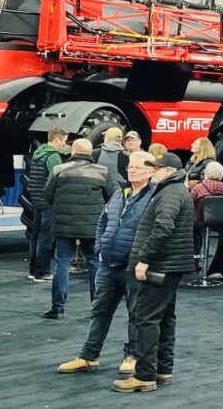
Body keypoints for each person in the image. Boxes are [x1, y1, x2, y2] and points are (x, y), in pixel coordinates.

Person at [56, 150, 156, 376]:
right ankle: (88, 356)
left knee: (136, 314)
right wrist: (101, 248)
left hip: (134, 266)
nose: (132, 170)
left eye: (138, 167)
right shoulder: (120, 193)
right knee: (99, 310)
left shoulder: (155, 197)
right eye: (131, 166)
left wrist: (143, 259)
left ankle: (132, 356)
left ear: (151, 171)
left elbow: (157, 231)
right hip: (108, 264)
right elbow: (103, 220)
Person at [112, 153, 194, 393]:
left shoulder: (169, 193)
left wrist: (144, 258)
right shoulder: (177, 191)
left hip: (161, 265)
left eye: (156, 168)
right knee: (165, 318)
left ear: (168, 171)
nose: (153, 172)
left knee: (146, 318)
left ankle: (145, 375)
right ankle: (162, 370)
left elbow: (162, 227)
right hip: (171, 265)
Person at [42, 138, 116, 320]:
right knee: (94, 264)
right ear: (90, 152)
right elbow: (111, 197)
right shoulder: (102, 172)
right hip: (91, 226)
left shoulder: (59, 170)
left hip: (63, 226)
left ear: (73, 150)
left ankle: (57, 308)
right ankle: (97, 308)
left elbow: (47, 195)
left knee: (62, 263)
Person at [26, 127, 67, 282]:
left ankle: (33, 269)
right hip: (48, 202)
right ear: (56, 139)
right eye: (63, 141)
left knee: (35, 236)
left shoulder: (38, 154)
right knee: (46, 238)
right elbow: (58, 179)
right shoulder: (53, 157)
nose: (64, 144)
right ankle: (42, 272)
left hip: (36, 200)